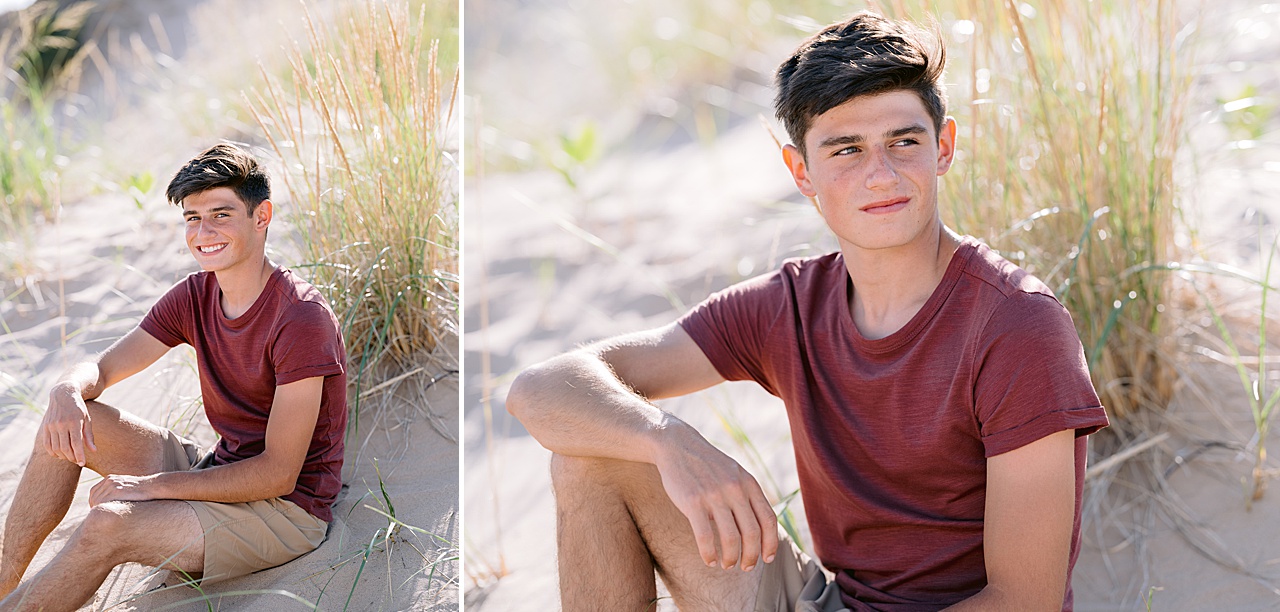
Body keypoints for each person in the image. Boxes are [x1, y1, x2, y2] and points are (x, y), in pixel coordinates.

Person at [507, 11, 1110, 612]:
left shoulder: (1018, 325)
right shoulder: (791, 306)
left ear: (943, 147)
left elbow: (1023, 602)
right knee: (591, 457)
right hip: (829, 603)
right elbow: (541, 389)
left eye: (904, 142)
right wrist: (668, 441)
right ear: (802, 172)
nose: (881, 176)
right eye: (846, 151)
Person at [0, 143, 348, 611]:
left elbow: (278, 473)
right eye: (192, 218)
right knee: (68, 420)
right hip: (217, 472)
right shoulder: (195, 295)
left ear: (261, 216)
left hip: (283, 511)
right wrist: (66, 389)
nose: (203, 232)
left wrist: (149, 487)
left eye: (221, 214)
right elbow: (102, 370)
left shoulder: (301, 318)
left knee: (109, 523)